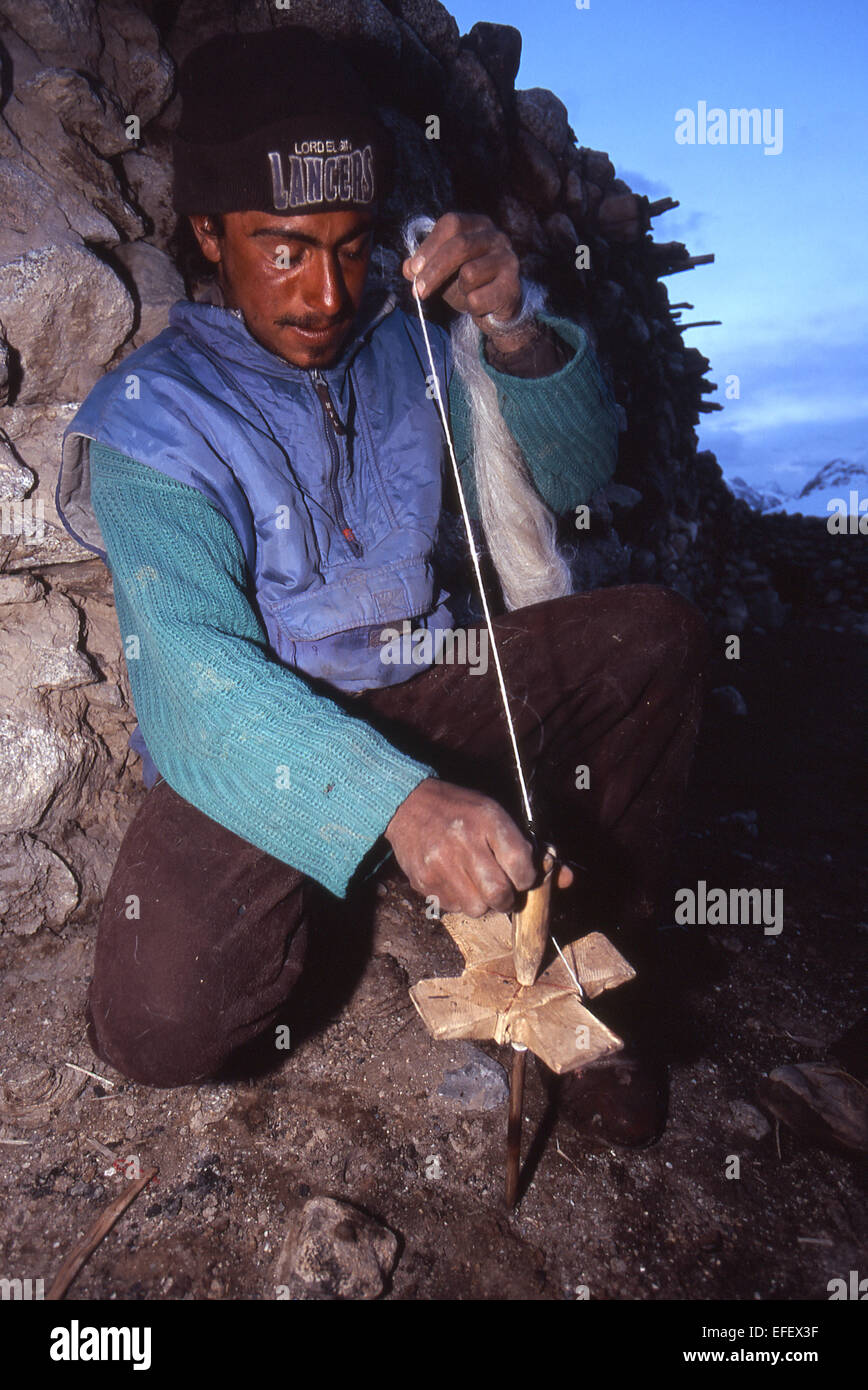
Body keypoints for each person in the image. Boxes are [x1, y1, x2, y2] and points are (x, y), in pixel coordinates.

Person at [57, 27, 710, 1143]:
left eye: (352, 246)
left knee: (653, 637)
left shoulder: (410, 337)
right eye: (284, 248)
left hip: (432, 687)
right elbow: (192, 675)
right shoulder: (149, 418)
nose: (326, 291)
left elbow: (581, 469)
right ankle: (367, 873)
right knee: (158, 1023)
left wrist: (509, 320)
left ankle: (586, 973)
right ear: (209, 232)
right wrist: (393, 805)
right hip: (265, 738)